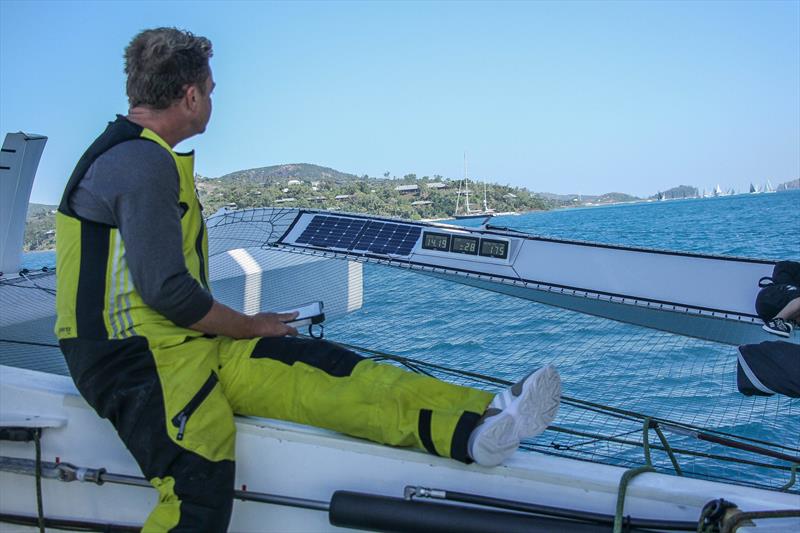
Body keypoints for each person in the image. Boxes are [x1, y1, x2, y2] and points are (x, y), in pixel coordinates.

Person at [54, 27, 561, 531]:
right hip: (134, 359)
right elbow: (167, 291)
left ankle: (477, 423)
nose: (212, 98)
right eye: (210, 89)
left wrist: (251, 328)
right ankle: (477, 424)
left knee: (330, 369)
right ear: (190, 96)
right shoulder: (138, 162)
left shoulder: (145, 156)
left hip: (186, 345)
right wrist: (250, 325)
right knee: (196, 491)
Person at [756, 260, 800, 338]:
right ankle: (776, 321)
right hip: (769, 297)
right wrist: (791, 287)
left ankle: (784, 321)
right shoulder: (792, 267)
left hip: (774, 310)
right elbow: (780, 267)